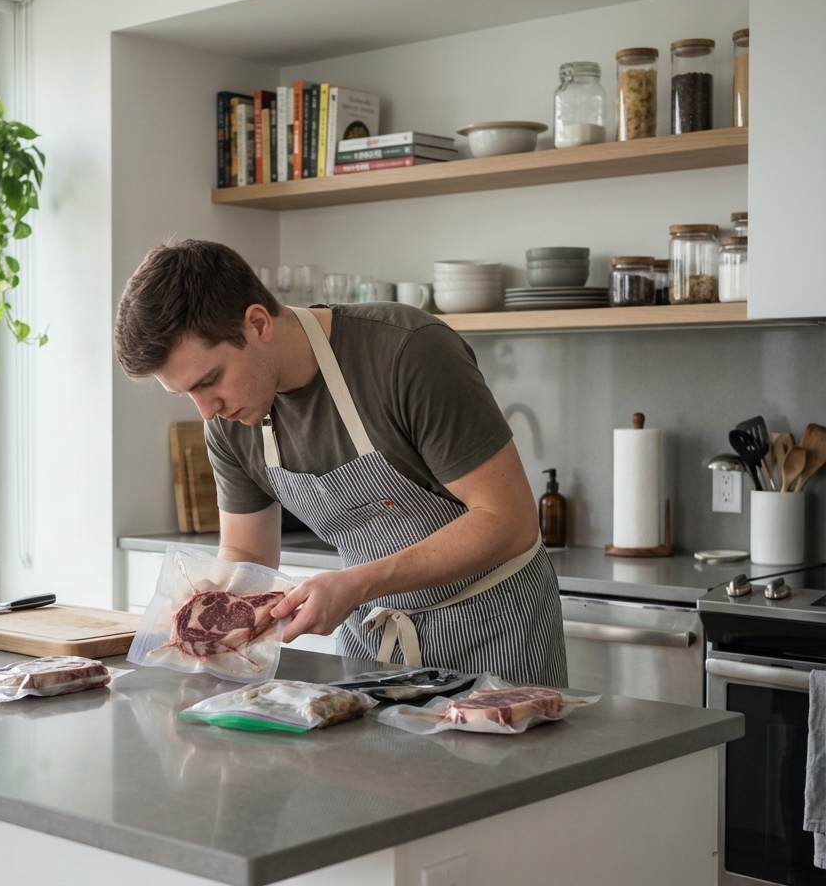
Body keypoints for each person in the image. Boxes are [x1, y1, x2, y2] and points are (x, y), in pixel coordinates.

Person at [114, 239, 566, 687]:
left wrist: (356, 584)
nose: (205, 410)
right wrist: (201, 625)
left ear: (257, 324)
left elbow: (509, 520)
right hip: (370, 645)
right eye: (186, 394)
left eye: (210, 380)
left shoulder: (407, 354)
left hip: (495, 634)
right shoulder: (229, 422)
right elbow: (248, 555)